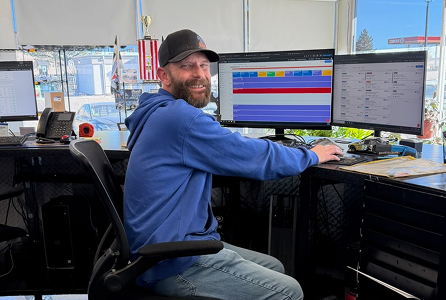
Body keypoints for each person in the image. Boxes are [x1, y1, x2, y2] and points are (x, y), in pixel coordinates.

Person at [124, 29, 342, 300]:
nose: (200, 74)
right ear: (164, 76)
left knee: (276, 266)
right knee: (289, 292)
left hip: (168, 248)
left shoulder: (155, 111)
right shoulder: (180, 118)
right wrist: (311, 155)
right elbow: (255, 158)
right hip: (171, 262)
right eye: (186, 66)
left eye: (204, 66)